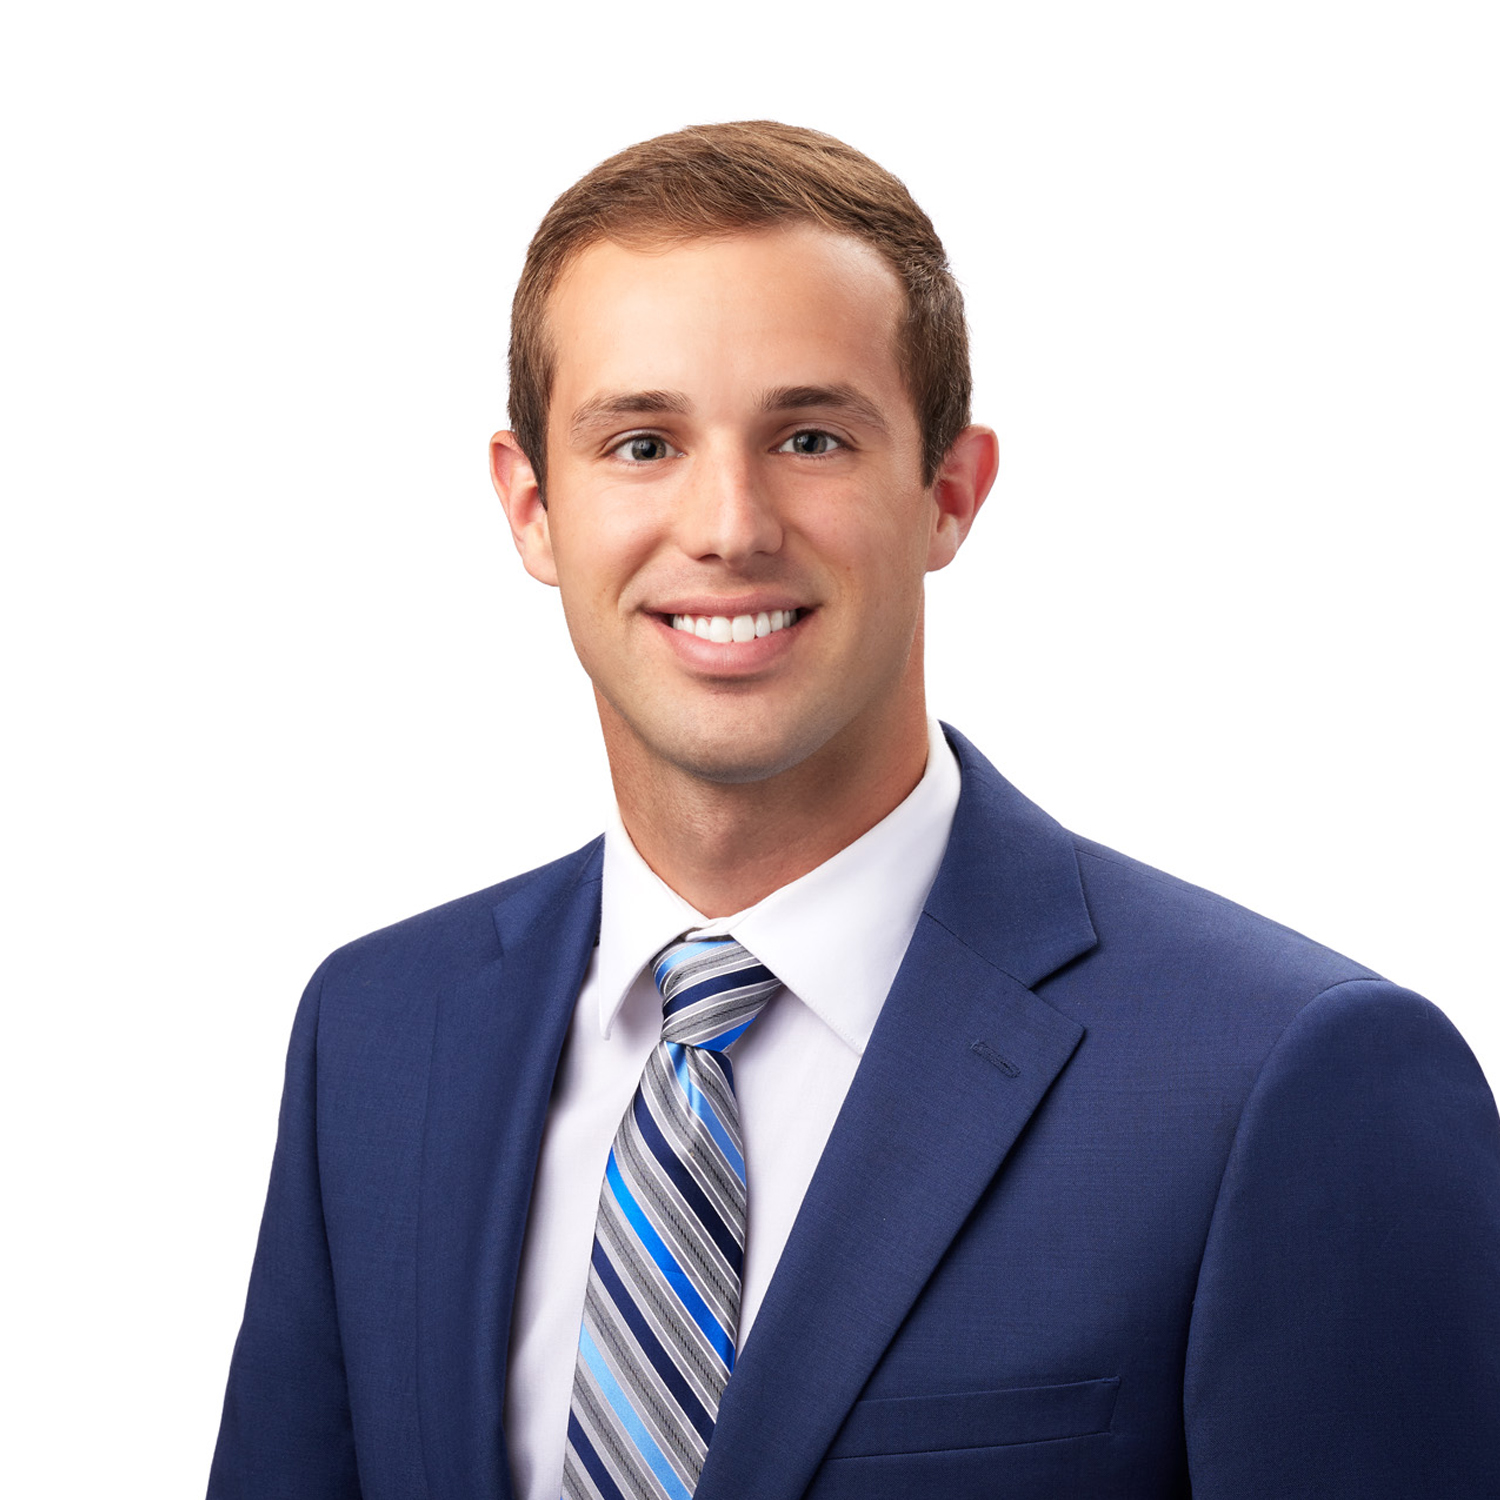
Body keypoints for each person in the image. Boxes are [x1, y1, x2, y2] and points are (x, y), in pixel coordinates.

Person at [208, 121, 1500, 1500]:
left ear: (948, 490)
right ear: (532, 508)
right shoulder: (380, 1036)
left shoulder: (1285, 1080)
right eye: (641, 443)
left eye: (810, 436)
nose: (727, 525)